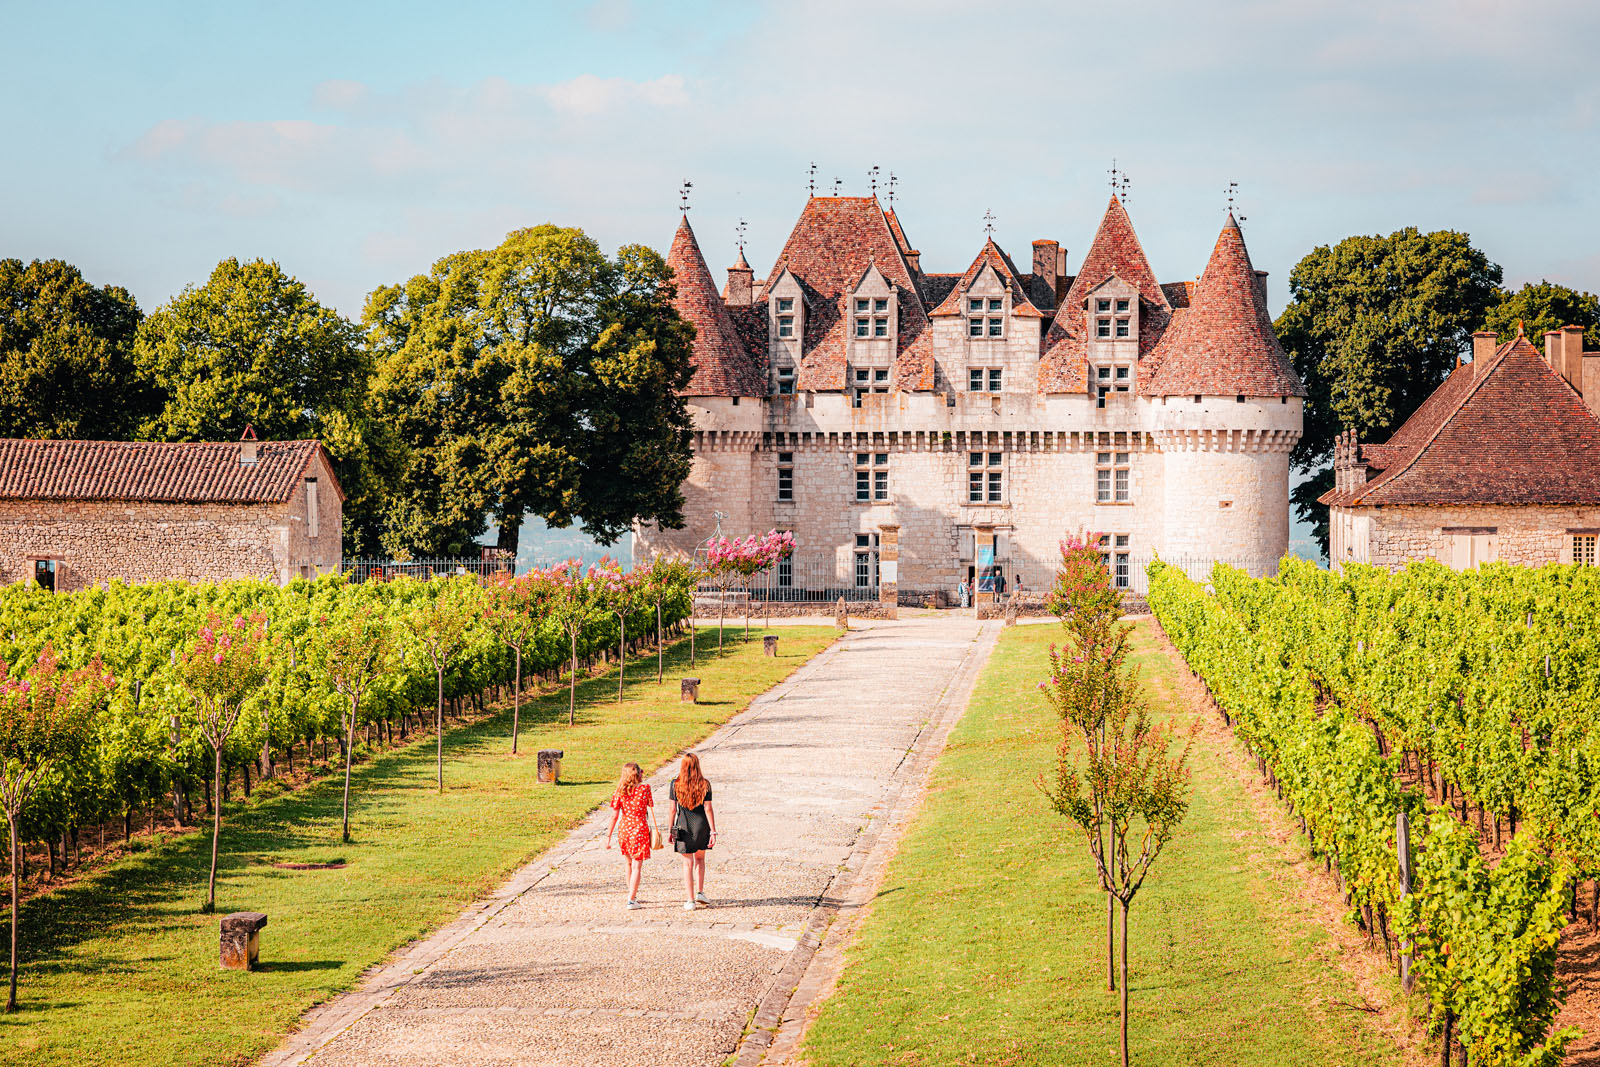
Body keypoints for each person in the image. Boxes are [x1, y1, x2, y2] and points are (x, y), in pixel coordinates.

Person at [605, 761, 658, 909]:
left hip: (624, 829)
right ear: (637, 773)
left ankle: (631, 894)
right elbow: (650, 805)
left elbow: (614, 816)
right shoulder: (645, 789)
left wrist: (608, 836)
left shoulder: (619, 791)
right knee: (636, 866)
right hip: (639, 828)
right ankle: (631, 899)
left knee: (628, 863)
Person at [667, 752, 716, 910]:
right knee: (700, 860)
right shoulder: (705, 784)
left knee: (687, 863)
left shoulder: (675, 784)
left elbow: (672, 810)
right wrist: (713, 831)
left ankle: (690, 900)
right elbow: (708, 808)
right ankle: (700, 892)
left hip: (683, 826)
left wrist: (670, 830)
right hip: (701, 825)